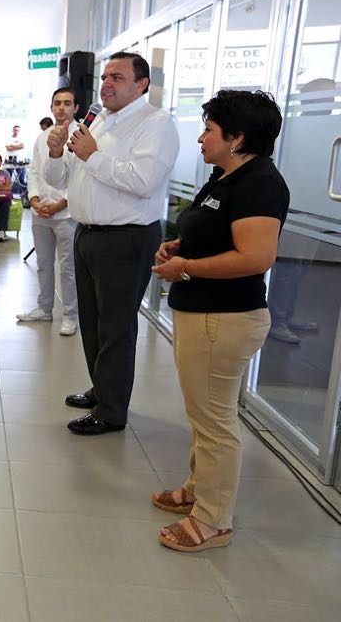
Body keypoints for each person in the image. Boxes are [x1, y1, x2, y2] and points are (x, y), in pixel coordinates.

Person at [149, 90, 288, 553]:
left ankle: (212, 520)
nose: (201, 137)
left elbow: (255, 256)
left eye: (209, 130)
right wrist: (178, 249)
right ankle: (197, 489)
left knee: (214, 421)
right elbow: (208, 233)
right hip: (201, 312)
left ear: (237, 137)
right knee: (203, 414)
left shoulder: (259, 184)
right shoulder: (225, 177)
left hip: (224, 317)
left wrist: (186, 268)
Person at [43, 51, 180, 435]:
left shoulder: (156, 124)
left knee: (116, 327)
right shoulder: (99, 121)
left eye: (117, 77)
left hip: (126, 238)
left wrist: (94, 155)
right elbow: (62, 178)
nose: (106, 84)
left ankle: (112, 411)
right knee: (93, 321)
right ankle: (102, 389)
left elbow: (143, 181)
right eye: (105, 76)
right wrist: (57, 153)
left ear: (141, 85)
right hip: (88, 232)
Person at [18, 87, 79, 336]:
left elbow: (79, 178)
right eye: (57, 103)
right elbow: (34, 172)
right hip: (40, 212)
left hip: (66, 215)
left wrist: (62, 203)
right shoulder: (42, 137)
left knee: (67, 268)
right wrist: (33, 199)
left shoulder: (81, 136)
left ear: (76, 108)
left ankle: (70, 315)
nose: (61, 108)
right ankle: (44, 309)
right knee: (43, 264)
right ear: (51, 107)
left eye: (67, 103)